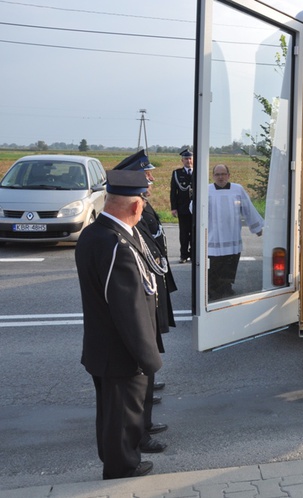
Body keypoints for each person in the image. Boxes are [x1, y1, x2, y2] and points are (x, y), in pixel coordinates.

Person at [75, 170, 162, 479]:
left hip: (102, 347)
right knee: (125, 415)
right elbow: (129, 310)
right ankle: (123, 468)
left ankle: (115, 459)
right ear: (136, 207)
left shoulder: (94, 233)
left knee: (111, 414)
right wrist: (148, 357)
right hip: (122, 351)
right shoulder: (117, 246)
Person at [113, 150, 175, 453]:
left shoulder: (143, 207)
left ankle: (145, 419)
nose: (151, 178)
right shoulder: (124, 223)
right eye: (146, 174)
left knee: (147, 371)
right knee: (141, 372)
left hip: (153, 291)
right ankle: (141, 431)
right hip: (145, 298)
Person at [207, 164, 264, 300]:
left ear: (228, 175)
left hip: (231, 235)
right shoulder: (206, 190)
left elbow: (248, 208)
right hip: (213, 237)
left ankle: (227, 287)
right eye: (217, 174)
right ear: (213, 176)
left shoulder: (237, 189)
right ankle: (212, 290)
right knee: (214, 265)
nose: (220, 177)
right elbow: (194, 208)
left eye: (223, 174)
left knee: (229, 264)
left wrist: (257, 228)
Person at [170, 147, 194, 263]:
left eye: (190, 158)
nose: (188, 161)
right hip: (183, 208)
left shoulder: (199, 172)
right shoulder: (177, 173)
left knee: (195, 233)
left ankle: (194, 254)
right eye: (186, 159)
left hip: (196, 209)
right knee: (184, 233)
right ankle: (183, 255)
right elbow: (173, 192)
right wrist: (173, 208)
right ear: (182, 161)